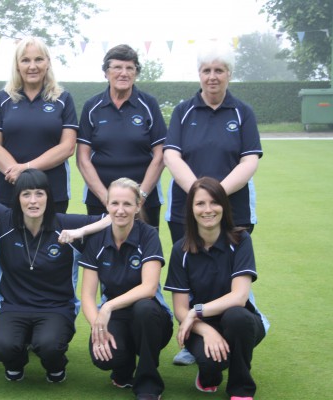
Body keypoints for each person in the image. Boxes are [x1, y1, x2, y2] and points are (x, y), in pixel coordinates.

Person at [0, 169, 110, 383]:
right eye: (26, 194)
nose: (33, 201)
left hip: (56, 307)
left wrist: (81, 232)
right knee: (1, 346)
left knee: (49, 346)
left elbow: (114, 216)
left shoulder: (66, 224)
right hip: (12, 306)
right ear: (17, 198)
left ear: (49, 196)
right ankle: (15, 363)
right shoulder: (4, 221)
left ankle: (55, 366)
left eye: (40, 194)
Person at [163, 43, 262, 366]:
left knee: (227, 273)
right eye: (207, 70)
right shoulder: (183, 110)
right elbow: (171, 155)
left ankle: (238, 329)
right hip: (185, 208)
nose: (212, 76)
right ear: (199, 75)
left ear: (229, 74)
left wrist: (213, 195)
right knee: (192, 274)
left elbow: (249, 160)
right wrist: (198, 194)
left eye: (219, 70)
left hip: (233, 209)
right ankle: (194, 337)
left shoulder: (242, 112)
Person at [164, 177, 269, 400]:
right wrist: (205, 329)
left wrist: (196, 310)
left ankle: (241, 389)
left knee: (237, 317)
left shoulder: (241, 240)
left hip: (240, 321)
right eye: (200, 203)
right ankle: (208, 375)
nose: (208, 210)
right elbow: (181, 310)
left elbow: (239, 297)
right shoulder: (180, 250)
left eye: (214, 202)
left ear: (224, 205)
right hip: (200, 326)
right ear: (191, 209)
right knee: (213, 362)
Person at [79, 178, 173, 400]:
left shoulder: (148, 234)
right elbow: (87, 296)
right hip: (117, 317)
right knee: (104, 357)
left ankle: (149, 383)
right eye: (115, 204)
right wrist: (97, 328)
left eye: (127, 204)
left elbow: (149, 288)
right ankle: (123, 368)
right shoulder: (97, 240)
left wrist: (108, 306)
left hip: (152, 319)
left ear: (138, 206)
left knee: (144, 309)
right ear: (107, 205)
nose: (120, 210)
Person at [77, 44, 167, 229]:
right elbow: (82, 158)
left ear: (136, 72)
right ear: (106, 72)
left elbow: (160, 156)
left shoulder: (149, 104)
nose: (124, 73)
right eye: (117, 67)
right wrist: (106, 198)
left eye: (130, 68)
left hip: (144, 202)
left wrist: (140, 196)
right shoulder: (92, 106)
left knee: (144, 254)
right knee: (102, 254)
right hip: (99, 201)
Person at [0, 37, 78, 213]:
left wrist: (26, 169)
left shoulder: (63, 99)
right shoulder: (1, 99)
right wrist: (18, 176)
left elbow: (67, 147)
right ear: (17, 65)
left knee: (50, 241)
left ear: (48, 63)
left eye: (39, 59)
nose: (32, 66)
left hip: (52, 193)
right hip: (9, 192)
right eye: (26, 60)